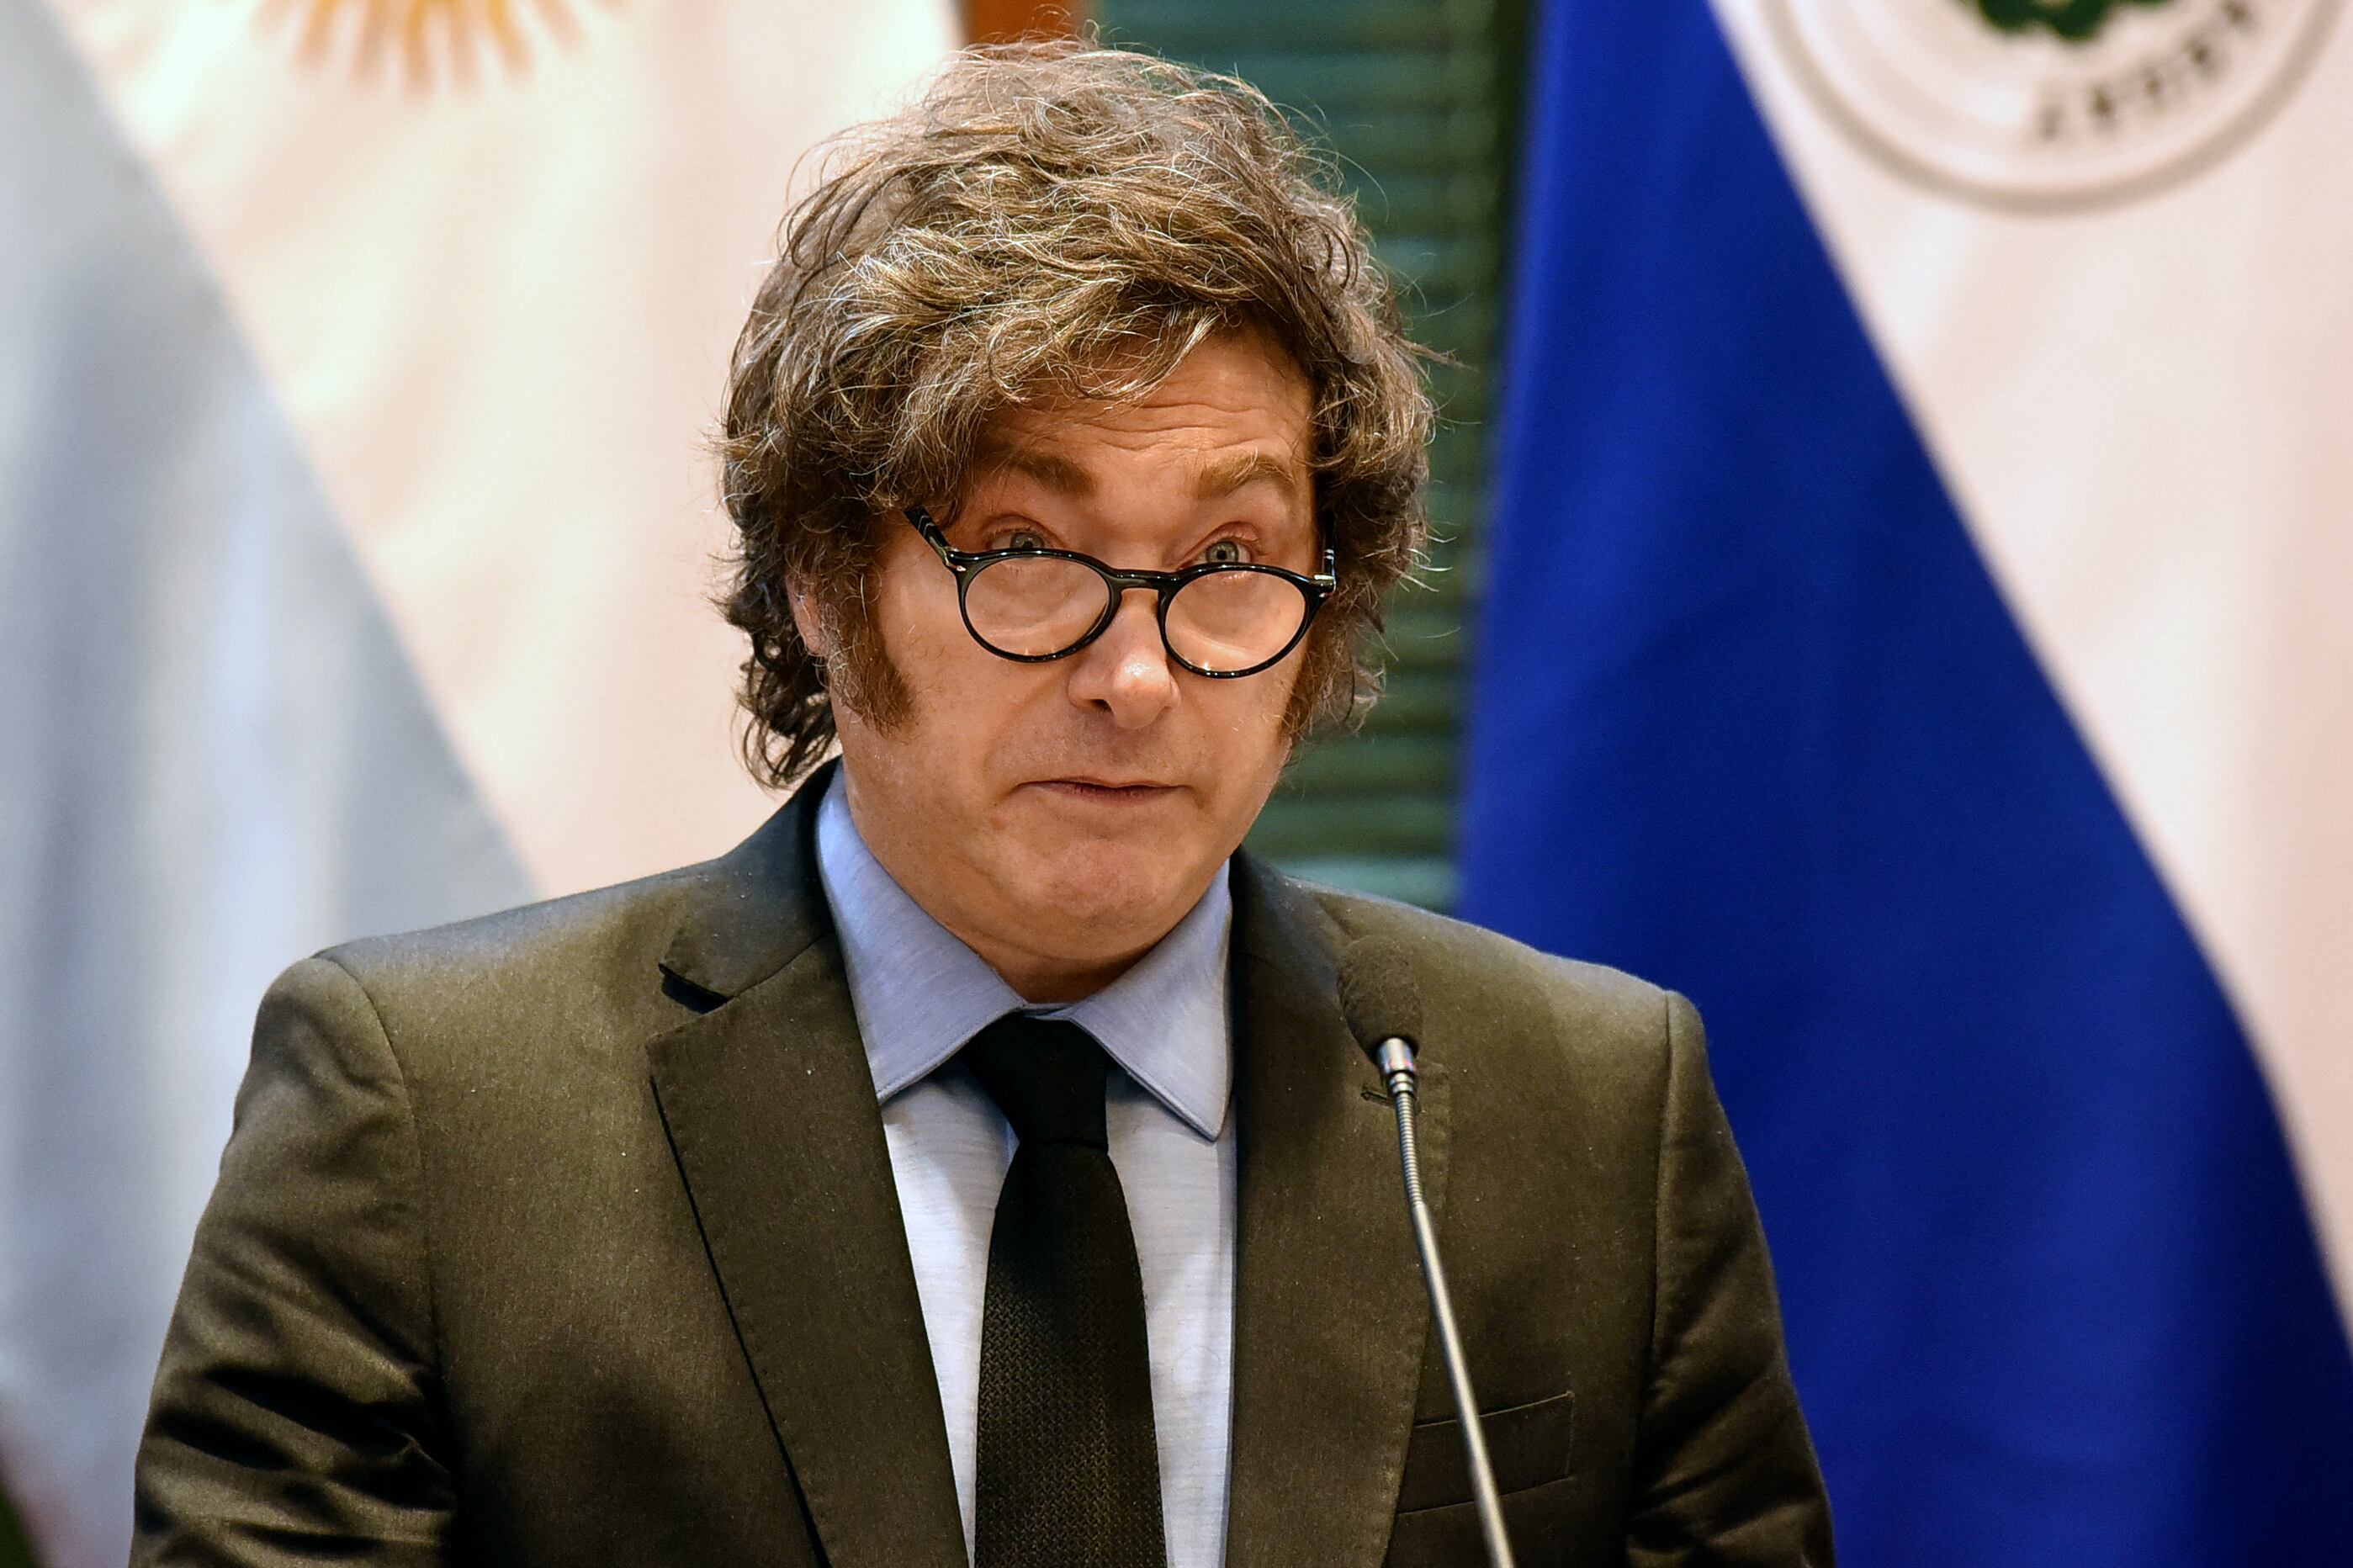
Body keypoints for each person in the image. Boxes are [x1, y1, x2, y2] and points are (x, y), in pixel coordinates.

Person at [132, 40, 1833, 1568]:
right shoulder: (431, 1126)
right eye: (1026, 551)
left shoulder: (1584, 1117)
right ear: (822, 573)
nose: (1139, 677)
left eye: (1231, 563)